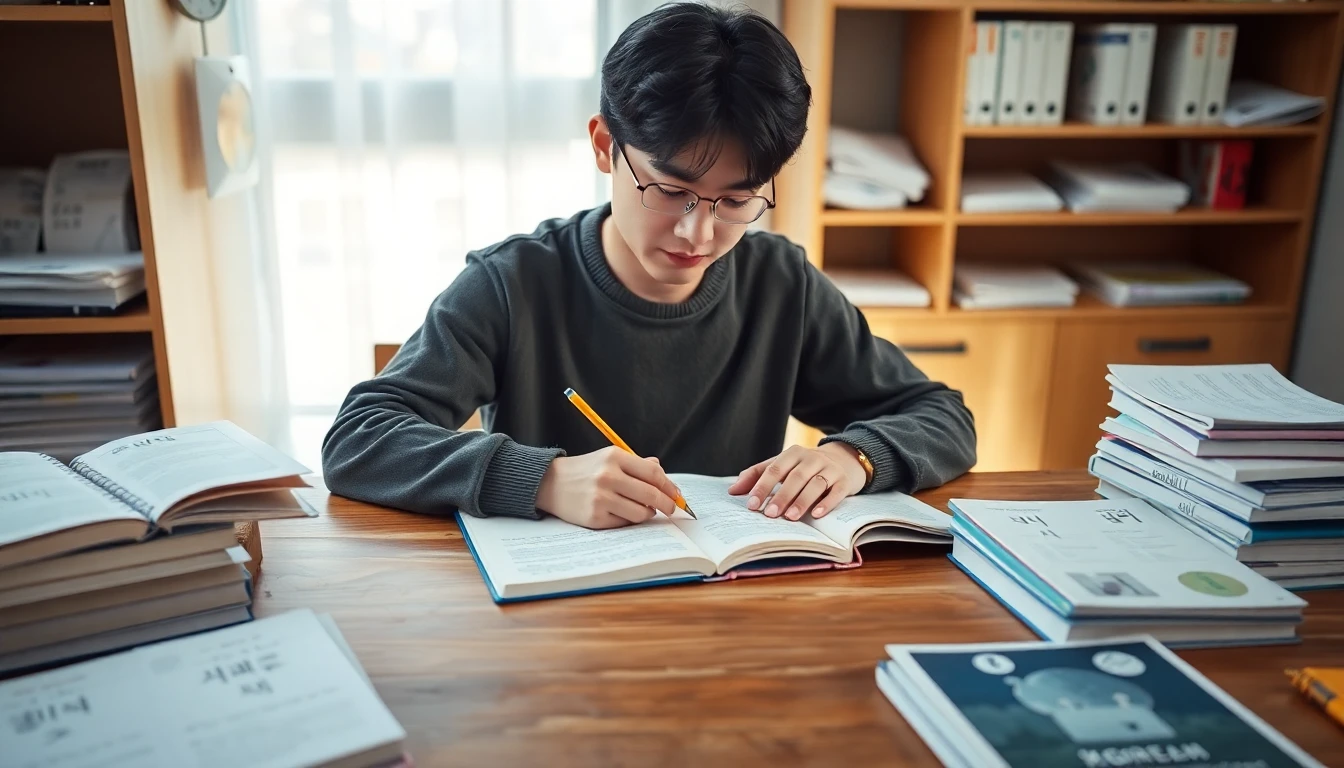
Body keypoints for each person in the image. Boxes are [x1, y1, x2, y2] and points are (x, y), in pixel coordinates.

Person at [321, 2, 976, 531]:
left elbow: (942, 415)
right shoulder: (512, 285)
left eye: (737, 199)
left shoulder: (781, 285)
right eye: (669, 191)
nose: (699, 231)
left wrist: (852, 456)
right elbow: (359, 440)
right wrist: (543, 480)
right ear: (606, 147)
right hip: (552, 618)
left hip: (733, 607)